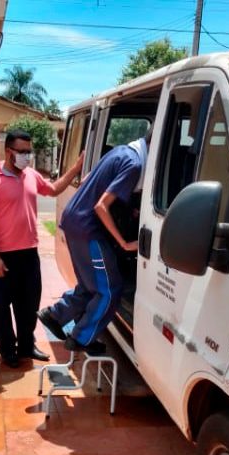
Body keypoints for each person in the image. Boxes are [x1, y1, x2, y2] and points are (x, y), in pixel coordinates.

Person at [37, 126, 153, 355]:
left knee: (92, 286)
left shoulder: (121, 151)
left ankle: (55, 315)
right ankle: (81, 338)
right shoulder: (135, 164)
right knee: (110, 290)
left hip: (75, 221)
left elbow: (89, 179)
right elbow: (101, 206)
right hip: (88, 229)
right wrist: (124, 243)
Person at [0, 129, 84, 368]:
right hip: (2, 255)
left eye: (29, 151)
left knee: (29, 303)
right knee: (2, 306)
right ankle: (8, 350)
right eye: (22, 152)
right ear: (8, 151)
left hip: (29, 253)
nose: (28, 156)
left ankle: (26, 345)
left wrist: (76, 168)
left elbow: (54, 189)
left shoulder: (30, 175)